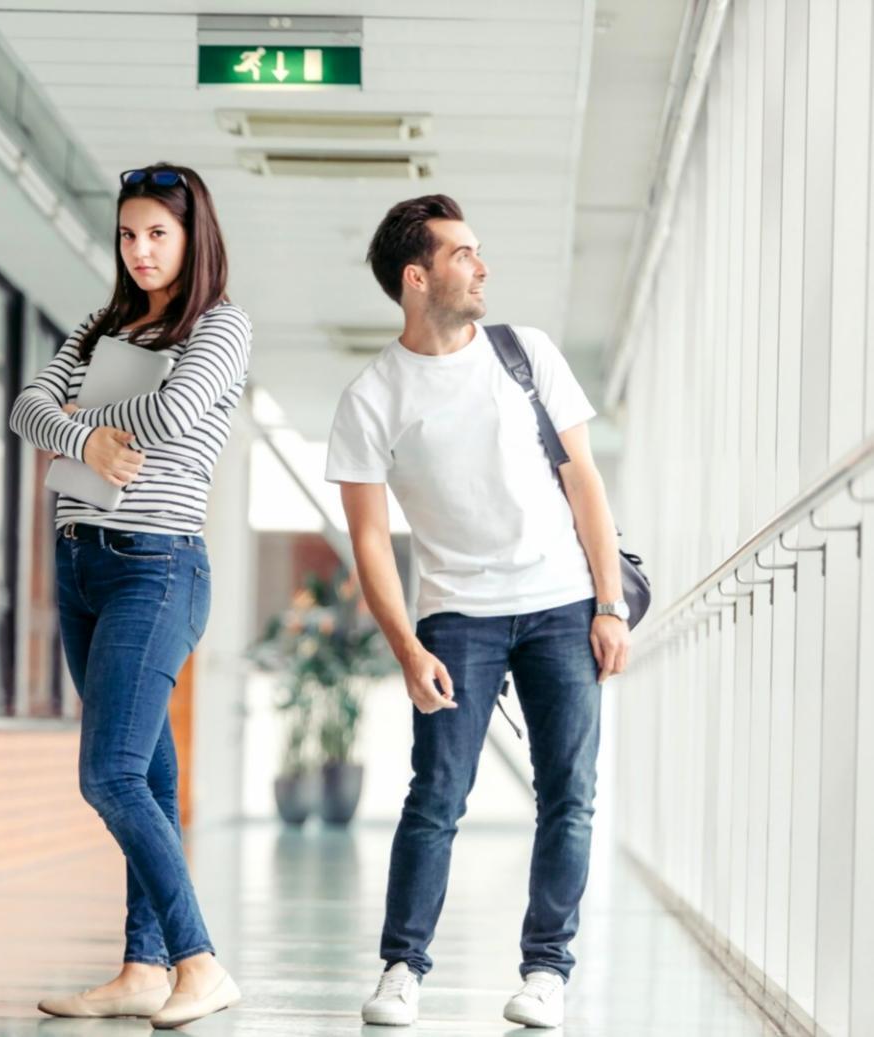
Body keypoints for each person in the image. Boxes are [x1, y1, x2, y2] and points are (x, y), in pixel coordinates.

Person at [326, 195, 631, 1029]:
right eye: (463, 254)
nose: (482, 265)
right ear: (415, 277)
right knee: (436, 796)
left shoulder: (524, 353)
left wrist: (608, 603)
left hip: (561, 604)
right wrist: (402, 647)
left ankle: (545, 970)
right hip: (455, 615)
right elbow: (368, 542)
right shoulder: (370, 396)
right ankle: (401, 968)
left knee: (568, 793)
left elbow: (583, 481)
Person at [8, 163, 250, 1030]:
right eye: (127, 234)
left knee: (108, 772)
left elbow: (176, 412)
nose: (139, 249)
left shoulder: (221, 326)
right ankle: (144, 966)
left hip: (157, 565)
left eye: (157, 233)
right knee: (146, 770)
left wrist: (88, 424)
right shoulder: (101, 323)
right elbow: (24, 409)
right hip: (80, 562)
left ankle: (197, 958)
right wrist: (84, 434)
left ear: (192, 238)